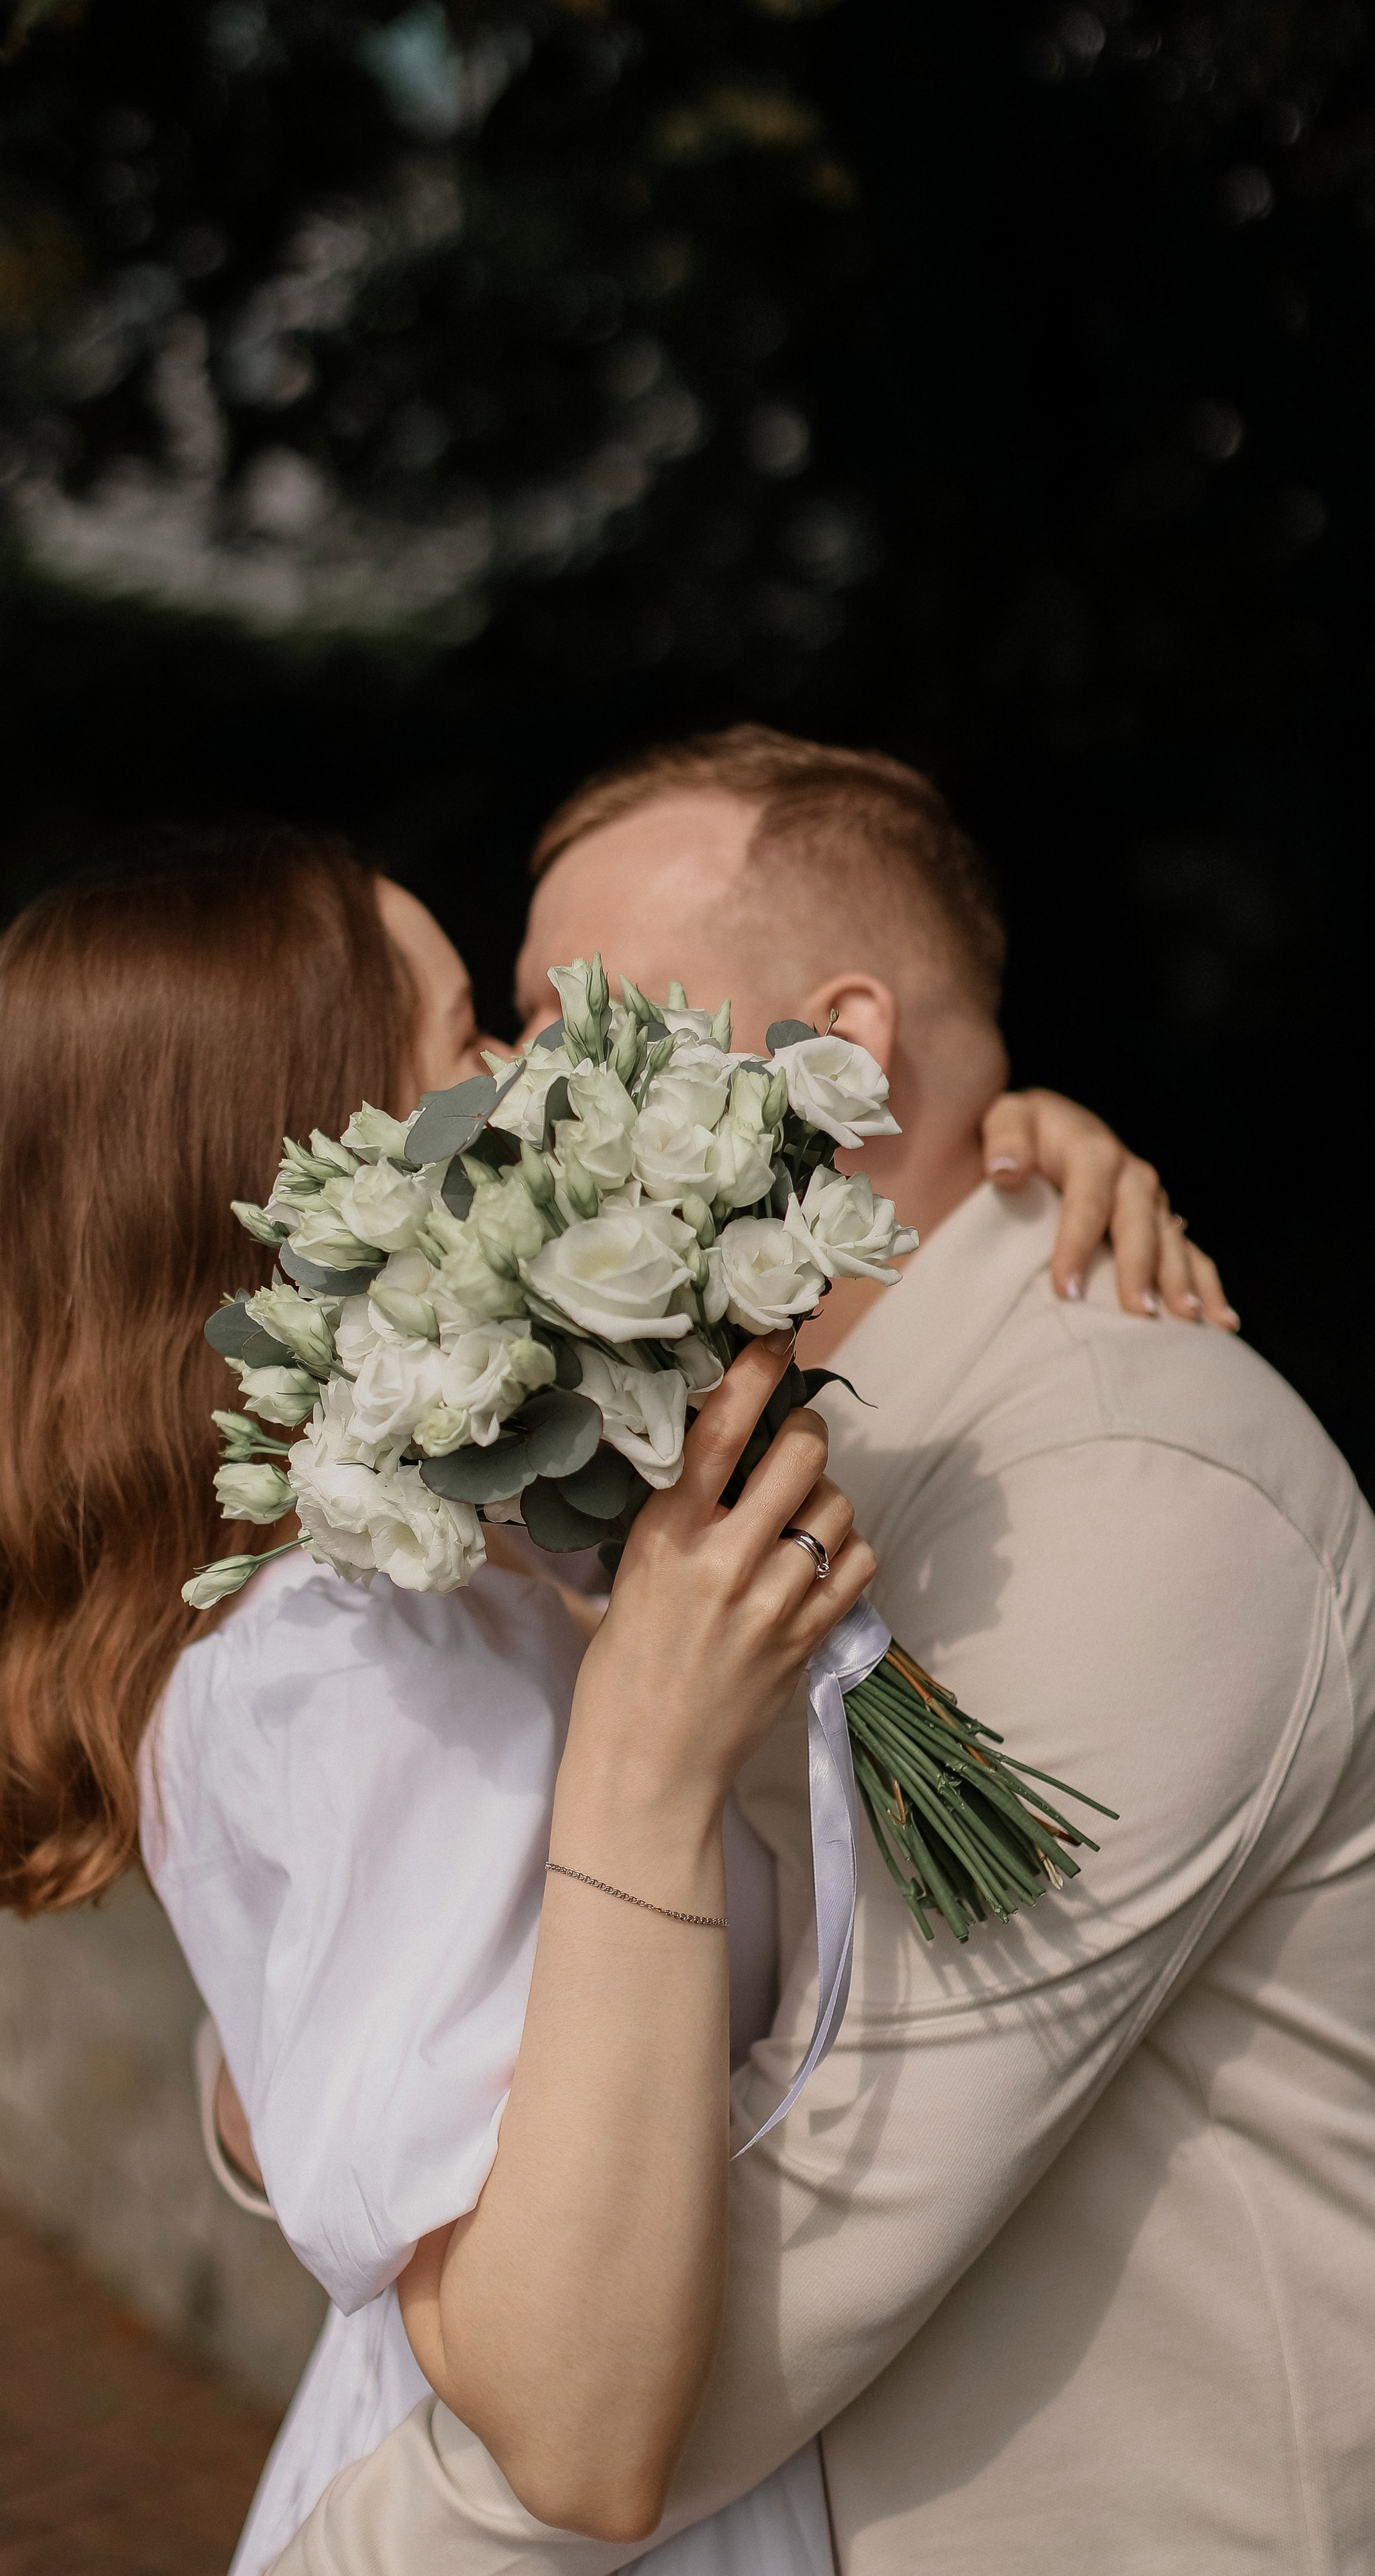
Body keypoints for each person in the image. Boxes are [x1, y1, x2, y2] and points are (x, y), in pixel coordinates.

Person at [0, 821, 1223, 2575]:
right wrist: (647, 1768)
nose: (525, 1072)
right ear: (307, 1151)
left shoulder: (429, 1567)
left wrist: (993, 1168)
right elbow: (572, 2436)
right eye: (463, 1031)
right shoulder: (346, 1651)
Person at [263, 731, 1375, 2576]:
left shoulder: (1137, 1487)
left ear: (839, 1047)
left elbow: (826, 2198)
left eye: (570, 1023)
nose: (512, 1102)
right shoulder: (753, 1444)